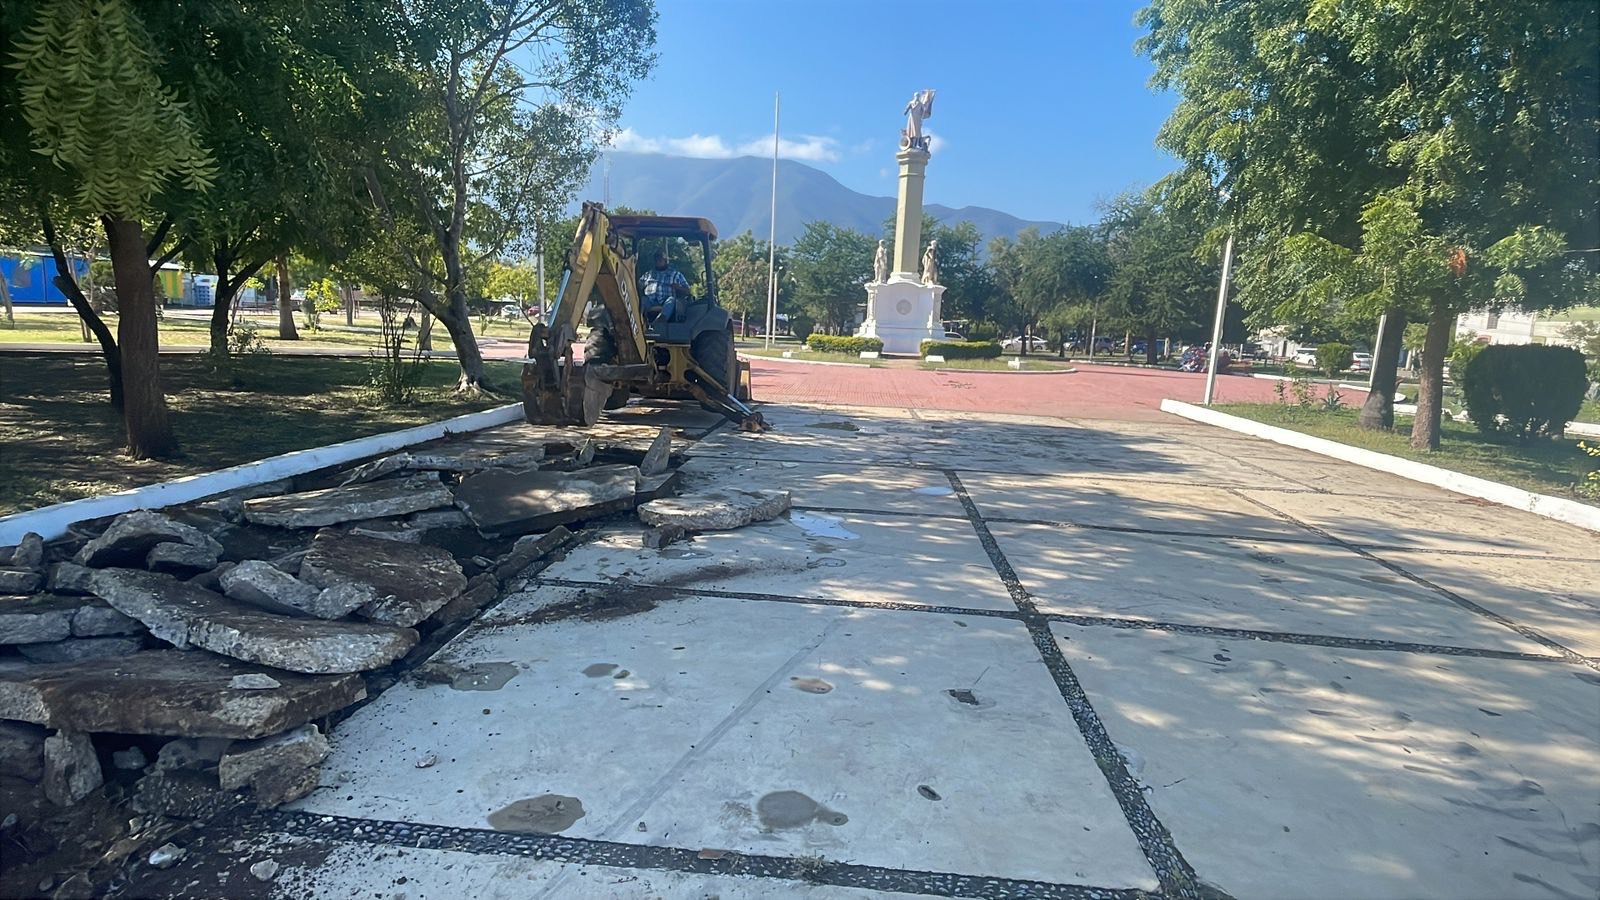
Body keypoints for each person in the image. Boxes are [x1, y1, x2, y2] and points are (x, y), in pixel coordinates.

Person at [639, 250, 689, 323]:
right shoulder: (649, 274)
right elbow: (639, 284)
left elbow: (687, 290)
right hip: (650, 301)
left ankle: (659, 323)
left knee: (671, 300)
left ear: (665, 261)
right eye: (656, 260)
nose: (657, 262)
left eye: (660, 260)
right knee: (642, 300)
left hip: (665, 302)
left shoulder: (675, 274)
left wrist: (678, 287)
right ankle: (639, 322)